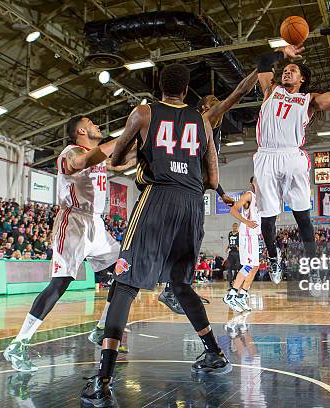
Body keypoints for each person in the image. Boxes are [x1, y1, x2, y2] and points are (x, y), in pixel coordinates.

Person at [80, 63, 229, 406]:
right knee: (180, 284)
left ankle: (103, 378)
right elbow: (213, 178)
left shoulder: (144, 113)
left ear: (159, 85)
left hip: (158, 198)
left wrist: (145, 157)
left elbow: (116, 159)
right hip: (192, 205)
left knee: (125, 282)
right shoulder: (202, 121)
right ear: (187, 89)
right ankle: (214, 353)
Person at [3, 115, 133, 372]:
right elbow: (81, 161)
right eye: (93, 123)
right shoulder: (70, 153)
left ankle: (100, 329)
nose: (97, 126)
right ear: (82, 130)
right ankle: (18, 344)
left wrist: (146, 145)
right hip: (73, 222)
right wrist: (127, 134)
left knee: (125, 271)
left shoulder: (97, 157)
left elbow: (119, 165)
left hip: (96, 225)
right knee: (60, 284)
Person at [254, 36, 330, 283]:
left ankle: (313, 266)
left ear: (302, 80)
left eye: (293, 70)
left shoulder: (309, 100)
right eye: (287, 70)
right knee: (267, 217)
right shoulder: (271, 90)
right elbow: (264, 62)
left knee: (303, 216)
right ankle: (274, 257)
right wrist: (283, 51)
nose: (288, 72)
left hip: (292, 156)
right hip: (266, 155)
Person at [157, 69, 259, 313]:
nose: (220, 112)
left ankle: (179, 289)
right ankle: (172, 289)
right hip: (181, 190)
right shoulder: (198, 125)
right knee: (183, 241)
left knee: (191, 241)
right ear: (204, 109)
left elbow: (206, 167)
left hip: (193, 191)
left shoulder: (213, 131)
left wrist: (220, 190)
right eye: (215, 107)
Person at [223, 176, 261, 312]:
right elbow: (233, 210)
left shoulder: (263, 198)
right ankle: (231, 294)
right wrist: (247, 222)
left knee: (256, 266)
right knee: (249, 265)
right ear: (251, 183)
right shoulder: (248, 195)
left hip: (255, 236)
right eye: (256, 181)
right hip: (247, 235)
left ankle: (242, 294)